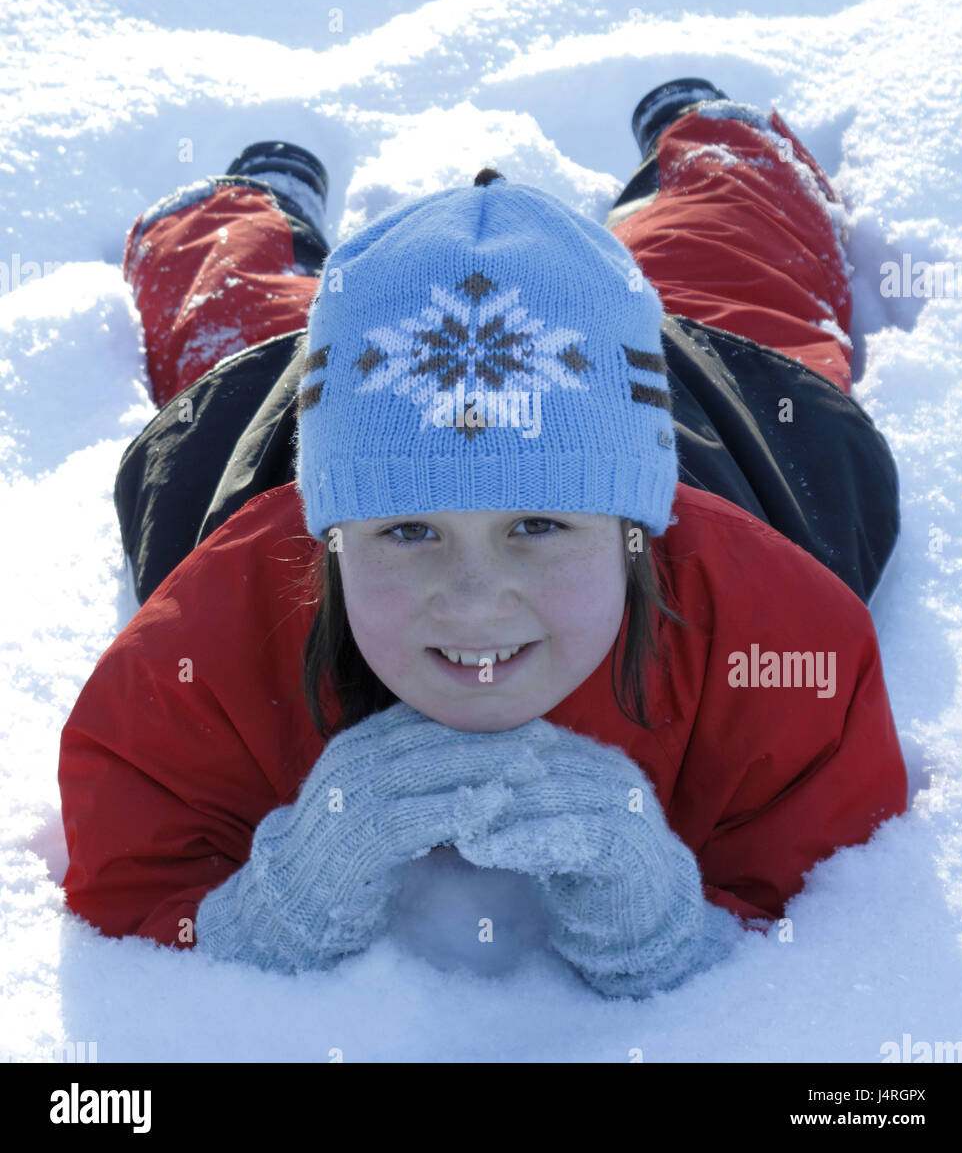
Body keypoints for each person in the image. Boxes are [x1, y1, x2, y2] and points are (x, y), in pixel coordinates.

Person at [57, 79, 908, 1000]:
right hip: (308, 402)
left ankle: (719, 145)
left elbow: (843, 922)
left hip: (701, 405)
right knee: (240, 326)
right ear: (329, 536)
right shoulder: (219, 623)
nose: (472, 599)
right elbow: (132, 884)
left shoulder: (772, 629)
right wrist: (277, 909)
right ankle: (235, 210)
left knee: (725, 268)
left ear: (633, 532)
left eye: (537, 527)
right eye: (408, 530)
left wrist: (666, 932)